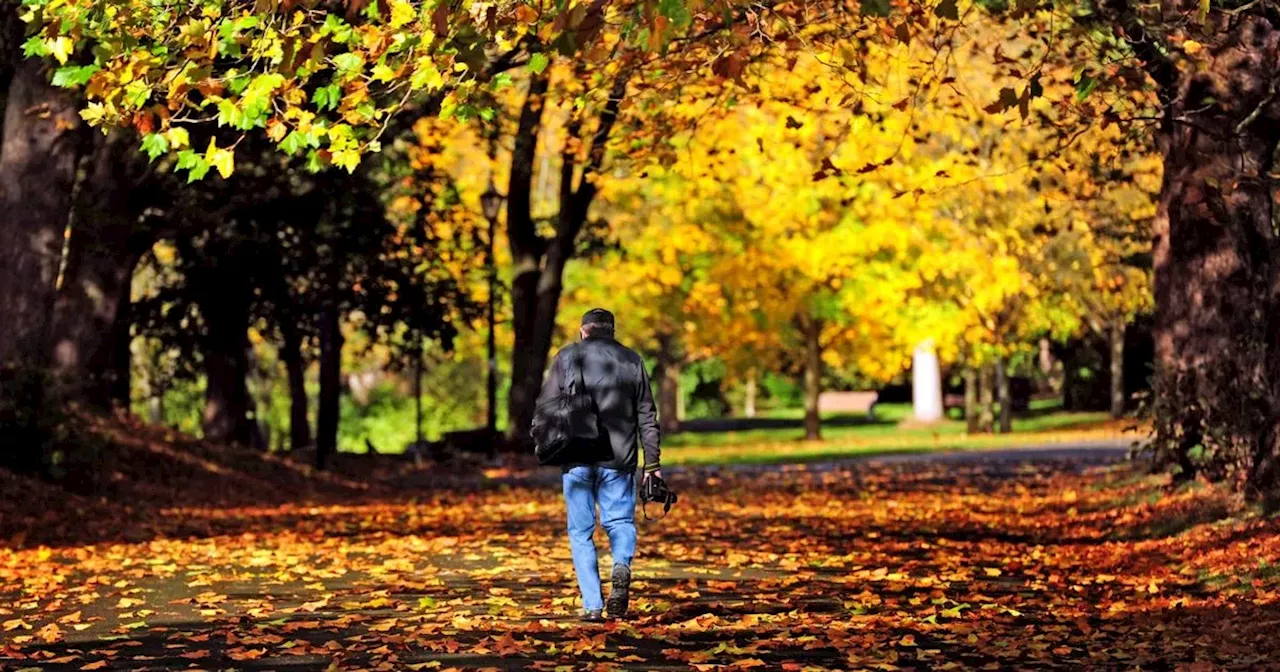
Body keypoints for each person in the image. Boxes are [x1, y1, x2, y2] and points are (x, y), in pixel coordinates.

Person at [535, 308, 662, 622]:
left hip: (576, 454)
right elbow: (648, 416)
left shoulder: (567, 357)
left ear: (583, 331)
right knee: (620, 523)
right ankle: (621, 564)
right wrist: (653, 464)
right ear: (612, 332)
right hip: (620, 458)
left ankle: (593, 605)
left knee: (580, 532)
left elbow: (546, 407)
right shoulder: (633, 360)